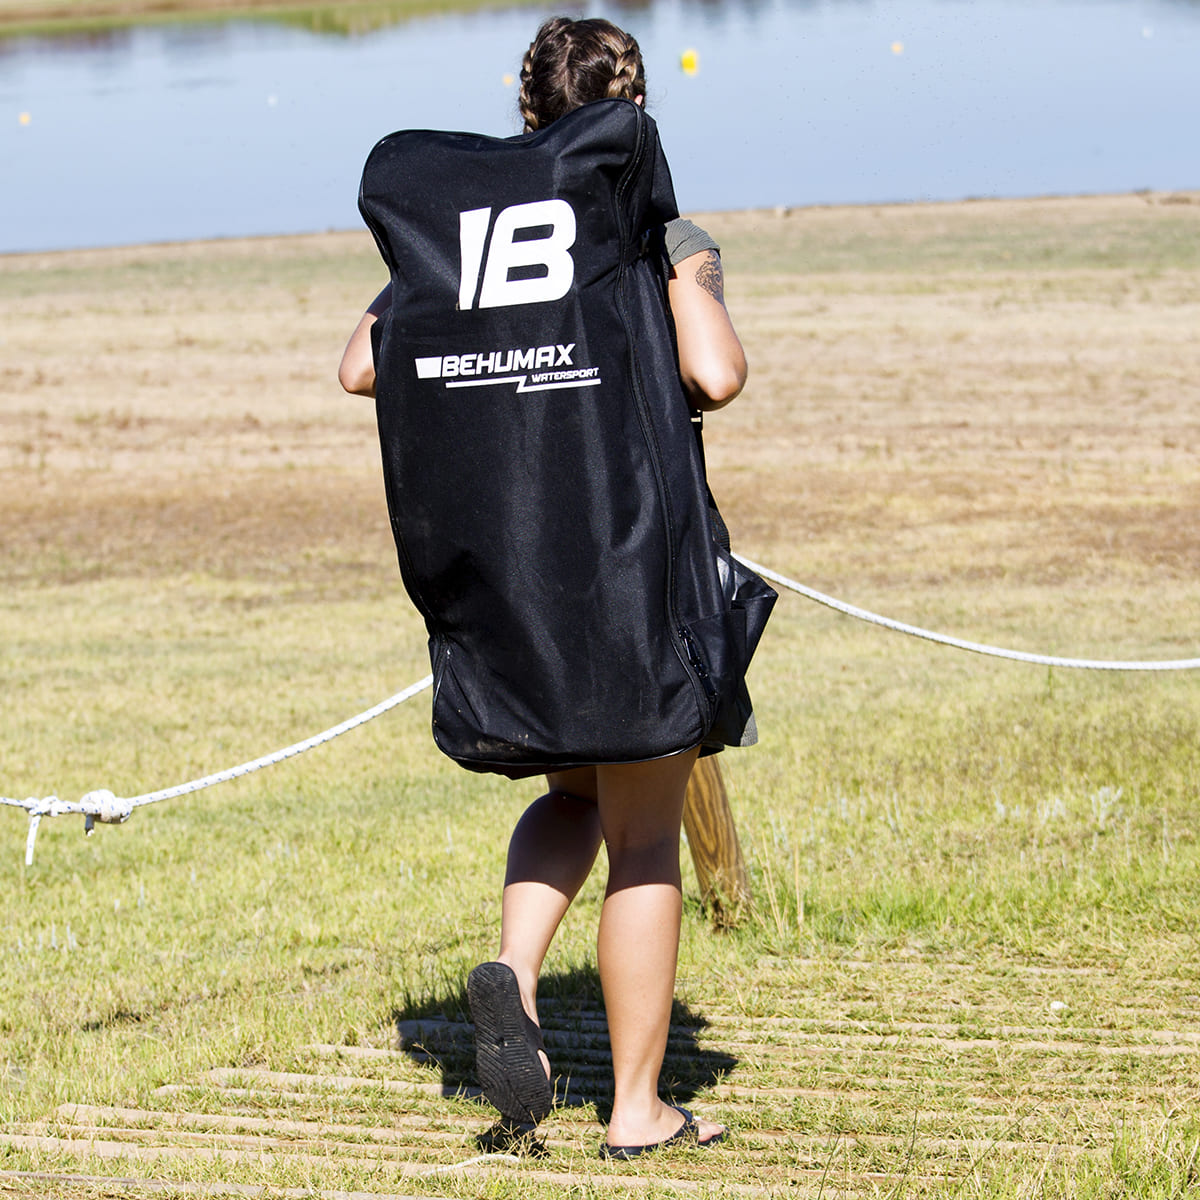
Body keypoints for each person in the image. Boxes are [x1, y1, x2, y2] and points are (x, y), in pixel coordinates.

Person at [339, 16, 748, 1159]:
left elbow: (360, 366)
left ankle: (514, 974)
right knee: (646, 840)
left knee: (573, 795)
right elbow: (716, 371)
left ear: (525, 110)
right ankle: (637, 1111)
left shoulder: (460, 235)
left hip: (521, 571)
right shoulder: (654, 229)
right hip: (631, 565)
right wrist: (688, 270)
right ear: (637, 113)